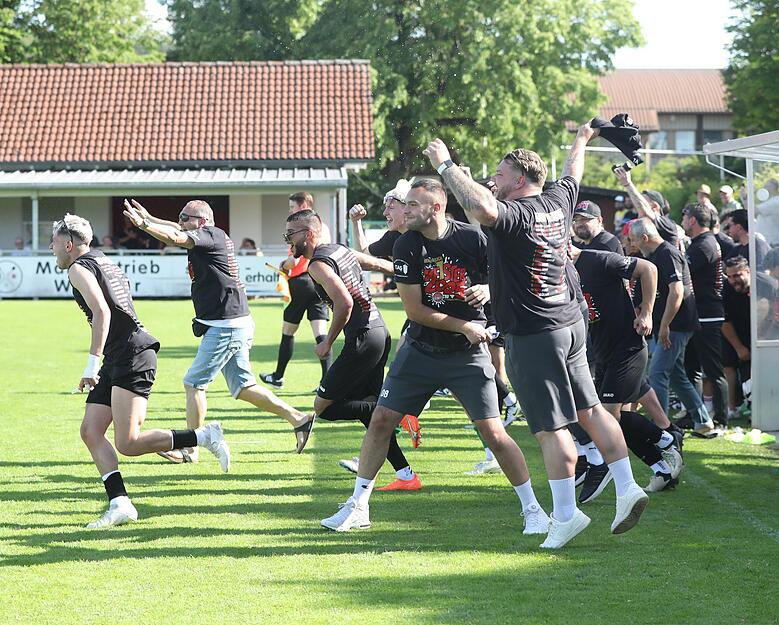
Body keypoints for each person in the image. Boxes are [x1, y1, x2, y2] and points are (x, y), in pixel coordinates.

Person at [426, 122, 648, 549]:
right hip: (570, 324)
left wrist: (447, 166)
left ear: (521, 179)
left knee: (550, 429)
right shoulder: (559, 202)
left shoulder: (516, 214)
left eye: (502, 173)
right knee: (592, 410)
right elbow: (573, 172)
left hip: (533, 333)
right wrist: (583, 138)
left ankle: (565, 515)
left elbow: (484, 209)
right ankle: (627, 486)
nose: (495, 178)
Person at [320, 178, 548, 535]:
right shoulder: (407, 244)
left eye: (412, 204)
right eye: (405, 203)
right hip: (420, 351)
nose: (404, 210)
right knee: (381, 421)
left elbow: (508, 279)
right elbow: (415, 311)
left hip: (467, 356)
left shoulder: (473, 238)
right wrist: (465, 326)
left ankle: (533, 510)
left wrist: (488, 288)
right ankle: (358, 506)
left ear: (436, 208)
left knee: (493, 432)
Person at [51, 214, 231, 528]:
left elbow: (103, 313)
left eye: (53, 244)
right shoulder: (102, 260)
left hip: (131, 354)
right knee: (91, 431)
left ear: (68, 244)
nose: (52, 250)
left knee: (128, 443)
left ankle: (203, 435)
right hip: (123, 354)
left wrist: (91, 364)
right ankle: (120, 504)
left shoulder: (78, 268)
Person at [122, 198, 315, 462]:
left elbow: (176, 238)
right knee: (243, 387)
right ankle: (299, 419)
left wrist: (144, 225)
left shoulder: (209, 236)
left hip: (227, 325)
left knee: (194, 383)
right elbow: (177, 230)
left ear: (200, 221)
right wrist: (152, 218)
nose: (180, 221)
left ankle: (191, 448)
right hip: (233, 322)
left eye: (184, 217)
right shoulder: (209, 233)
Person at [284, 208, 420, 491]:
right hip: (379, 332)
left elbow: (345, 304)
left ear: (308, 235)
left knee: (324, 408)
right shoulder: (340, 250)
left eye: (291, 235)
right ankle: (406, 475)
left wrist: (327, 342)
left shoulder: (317, 265)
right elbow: (382, 266)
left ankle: (397, 410)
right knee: (369, 412)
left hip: (362, 338)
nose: (288, 240)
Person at [570, 245, 683, 493]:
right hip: (603, 355)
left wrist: (647, 313)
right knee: (604, 420)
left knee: (607, 420)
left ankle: (664, 440)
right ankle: (662, 465)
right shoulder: (563, 270)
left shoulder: (598, 259)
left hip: (628, 350)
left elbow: (648, 269)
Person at [627, 218, 715, 436]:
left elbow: (677, 292)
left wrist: (665, 325)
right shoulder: (656, 255)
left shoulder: (667, 253)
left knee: (657, 372)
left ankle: (662, 427)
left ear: (644, 238)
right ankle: (703, 421)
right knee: (676, 375)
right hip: (667, 324)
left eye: (633, 241)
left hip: (677, 324)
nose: (632, 245)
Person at [261, 192, 331, 390]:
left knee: (288, 331)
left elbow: (297, 258)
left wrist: (285, 264)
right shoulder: (322, 226)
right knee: (320, 331)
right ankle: (327, 381)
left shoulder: (301, 229)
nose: (290, 211)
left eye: (292, 207)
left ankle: (278, 376)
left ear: (303, 206)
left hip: (301, 281)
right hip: (319, 280)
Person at [681, 203, 728, 425]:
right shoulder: (702, 242)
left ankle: (720, 418)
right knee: (692, 368)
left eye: (684, 217)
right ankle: (695, 414)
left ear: (692, 220)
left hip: (706, 314)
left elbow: (682, 272)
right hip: (700, 313)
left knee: (712, 370)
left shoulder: (704, 244)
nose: (682, 222)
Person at [721, 255, 779, 417]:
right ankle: (732, 409)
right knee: (728, 364)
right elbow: (725, 321)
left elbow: (775, 317)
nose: (733, 281)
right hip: (735, 330)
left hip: (766, 331)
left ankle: (761, 407)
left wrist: (763, 340)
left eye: (737, 275)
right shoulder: (726, 287)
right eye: (730, 276)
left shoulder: (768, 285)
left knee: (756, 372)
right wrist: (739, 348)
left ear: (748, 272)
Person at [613, 166, 679, 248]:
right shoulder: (640, 229)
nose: (637, 207)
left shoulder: (667, 224)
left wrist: (628, 183)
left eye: (642, 202)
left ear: (654, 206)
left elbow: (645, 211)